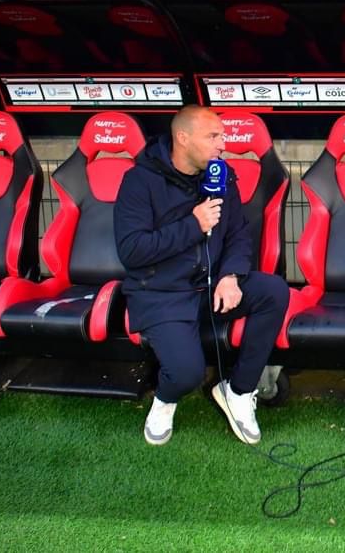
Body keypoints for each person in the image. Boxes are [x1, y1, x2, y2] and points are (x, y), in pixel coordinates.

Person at [114, 106, 289, 446]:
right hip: (162, 293)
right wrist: (193, 225)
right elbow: (132, 250)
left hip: (209, 287)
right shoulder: (139, 180)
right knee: (186, 374)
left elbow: (238, 233)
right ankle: (164, 400)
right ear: (183, 138)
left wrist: (231, 275)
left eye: (222, 136)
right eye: (213, 136)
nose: (223, 144)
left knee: (273, 291)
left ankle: (238, 391)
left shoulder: (220, 175)